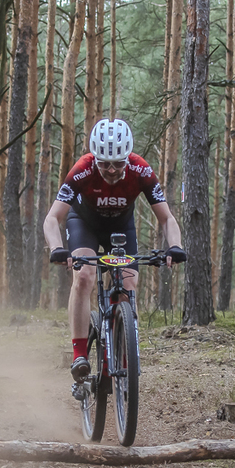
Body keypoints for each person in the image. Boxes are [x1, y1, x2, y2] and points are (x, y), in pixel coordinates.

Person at [42, 118, 186, 382]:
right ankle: (80, 355)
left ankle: (118, 353)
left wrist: (175, 246)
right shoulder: (83, 169)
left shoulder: (141, 170)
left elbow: (166, 218)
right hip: (84, 224)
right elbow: (52, 218)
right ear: (95, 158)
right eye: (104, 163)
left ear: (127, 157)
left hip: (121, 227)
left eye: (118, 163)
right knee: (84, 276)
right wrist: (57, 248)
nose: (110, 170)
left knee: (128, 283)